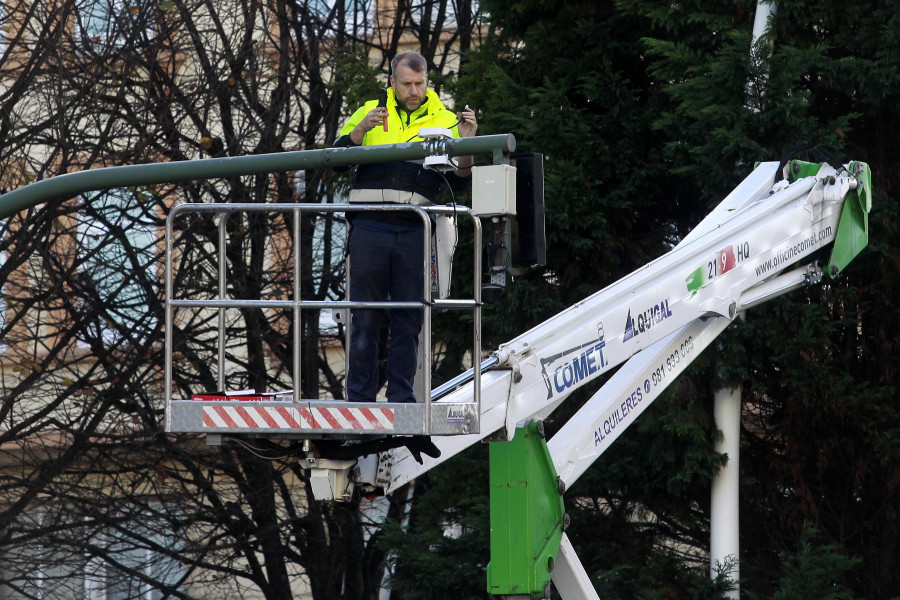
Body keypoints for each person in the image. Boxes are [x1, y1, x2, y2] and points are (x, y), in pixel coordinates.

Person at [334, 50, 478, 407]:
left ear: (427, 81)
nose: (414, 90)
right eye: (406, 84)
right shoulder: (368, 112)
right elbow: (334, 160)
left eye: (420, 83)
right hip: (369, 227)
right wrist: (362, 129)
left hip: (414, 231)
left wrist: (468, 144)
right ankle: (360, 401)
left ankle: (401, 398)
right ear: (392, 83)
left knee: (408, 319)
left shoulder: (447, 121)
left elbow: (460, 182)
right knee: (365, 318)